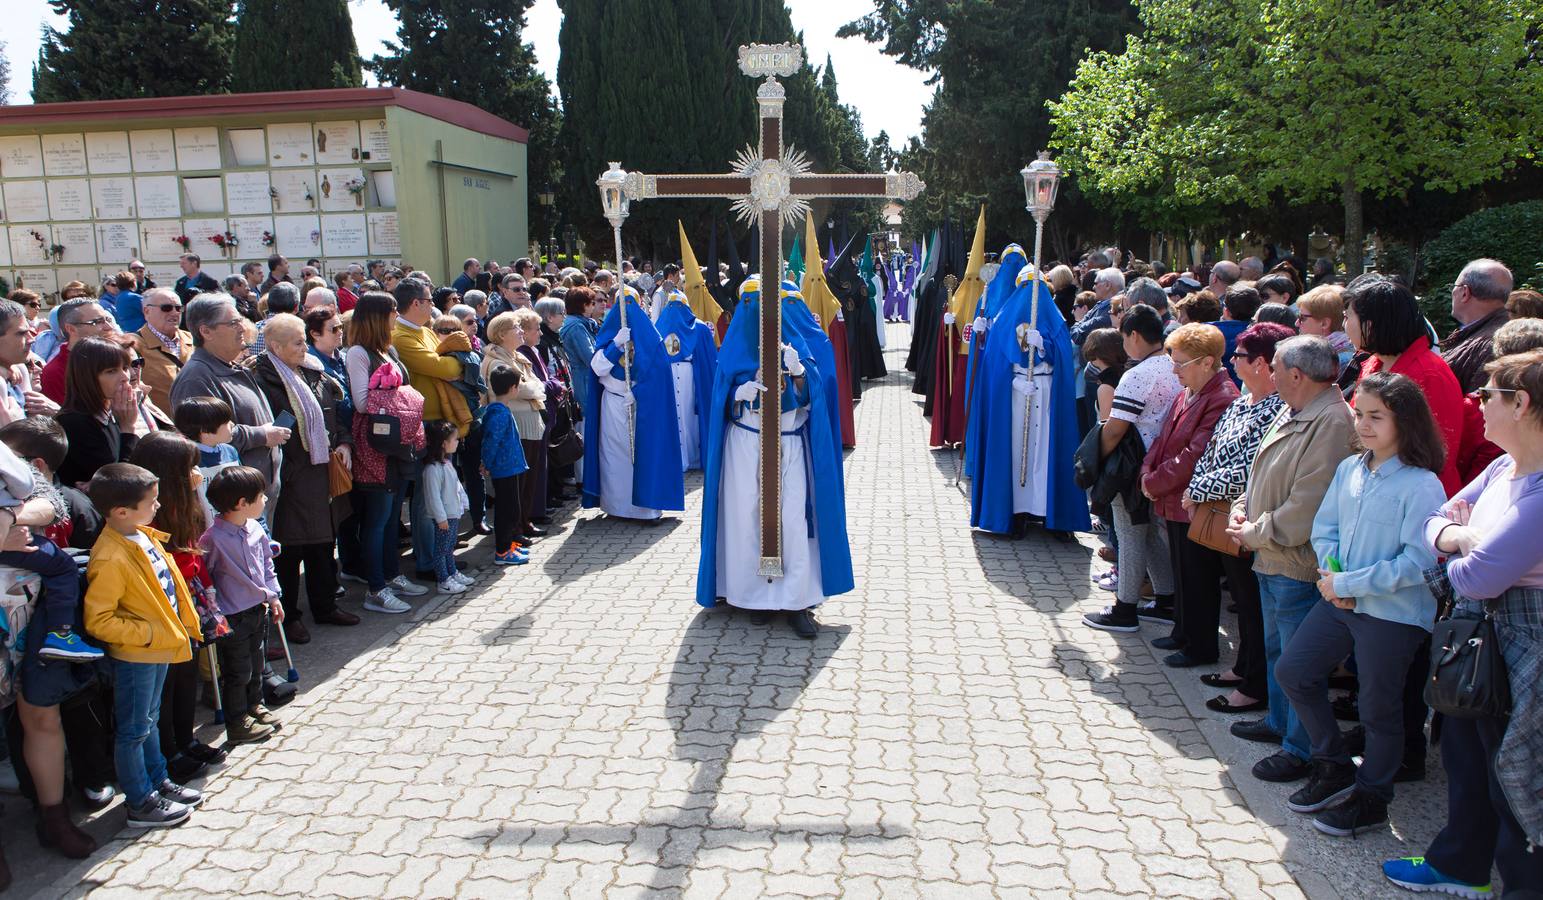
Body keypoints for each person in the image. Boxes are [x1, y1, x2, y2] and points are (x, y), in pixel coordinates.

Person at [1383, 349, 1543, 897]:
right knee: (1467, 758)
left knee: (1516, 773)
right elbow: (1437, 522)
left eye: (1489, 395)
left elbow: (1478, 578)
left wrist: (1458, 548)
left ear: (1520, 404)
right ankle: (1461, 866)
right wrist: (1459, 540)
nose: (1477, 404)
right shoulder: (1502, 466)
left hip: (1525, 651)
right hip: (1481, 643)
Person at [1272, 372, 1447, 837]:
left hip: (1391, 614)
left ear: (1404, 422)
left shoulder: (1422, 484)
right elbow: (1326, 526)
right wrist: (1333, 577)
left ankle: (1372, 797)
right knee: (1294, 670)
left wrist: (1354, 582)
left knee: (1378, 709)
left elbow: (1418, 562)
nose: (1364, 425)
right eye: (1361, 415)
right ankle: (1332, 764)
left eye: (1377, 417)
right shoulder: (1351, 468)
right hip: (1340, 601)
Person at [1225, 336, 1356, 785]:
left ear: (1297, 375)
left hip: (1294, 561)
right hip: (1272, 554)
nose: (1270, 373)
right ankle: (1281, 725)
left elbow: (1308, 505)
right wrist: (1243, 505)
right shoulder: (1295, 407)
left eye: (1276, 367)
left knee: (1299, 662)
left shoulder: (1333, 422)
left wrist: (1253, 531)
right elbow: (1263, 470)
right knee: (1279, 649)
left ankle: (1300, 749)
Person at [696, 279, 852, 638]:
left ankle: (797, 600)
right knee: (746, 518)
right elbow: (719, 395)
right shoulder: (735, 346)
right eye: (750, 304)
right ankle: (754, 597)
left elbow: (821, 399)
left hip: (789, 443)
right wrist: (737, 391)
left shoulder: (803, 343)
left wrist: (800, 375)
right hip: (746, 444)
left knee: (793, 521)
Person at [83, 462, 206, 828]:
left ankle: (159, 781)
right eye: (151, 501)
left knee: (149, 723)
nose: (158, 505)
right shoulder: (110, 555)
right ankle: (140, 802)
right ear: (121, 511)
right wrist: (151, 635)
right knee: (134, 729)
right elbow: (99, 620)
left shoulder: (143, 535)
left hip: (158, 650)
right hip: (138, 655)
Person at [1184, 323, 1292, 713]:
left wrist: (1197, 490)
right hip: (1220, 513)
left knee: (1252, 605)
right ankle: (1244, 668)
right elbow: (1211, 450)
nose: (1232, 361)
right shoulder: (1243, 401)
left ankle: (1254, 684)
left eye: (1240, 356)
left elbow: (1251, 468)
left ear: (1262, 363)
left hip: (1246, 516)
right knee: (1245, 602)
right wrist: (1196, 486)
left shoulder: (1278, 409)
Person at [126, 432, 229, 786]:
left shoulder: (182, 503)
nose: (195, 474)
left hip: (190, 602)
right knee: (166, 686)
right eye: (189, 468)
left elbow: (196, 542)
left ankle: (186, 741)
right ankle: (169, 752)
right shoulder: (148, 513)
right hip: (163, 604)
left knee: (186, 676)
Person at [252, 313, 357, 639]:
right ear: (275, 345)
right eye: (296, 342)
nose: (303, 347)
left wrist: (343, 442)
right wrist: (291, 468)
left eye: (303, 340)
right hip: (292, 474)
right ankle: (291, 615)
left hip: (322, 469)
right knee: (290, 548)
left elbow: (331, 413)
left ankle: (325, 606)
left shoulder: (313, 371)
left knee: (324, 544)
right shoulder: (261, 377)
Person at [1140, 323, 1240, 665]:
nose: (1174, 369)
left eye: (1180, 363)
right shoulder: (1189, 391)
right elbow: (1163, 437)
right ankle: (1182, 631)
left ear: (1207, 362)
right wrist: (1148, 470)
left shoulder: (1222, 396)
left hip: (1195, 502)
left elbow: (1194, 454)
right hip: (1175, 498)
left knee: (1198, 576)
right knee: (1183, 571)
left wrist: (1154, 482)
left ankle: (1200, 646)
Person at [968, 266, 1090, 536]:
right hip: (1015, 392)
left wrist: (1046, 345)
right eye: (1027, 290)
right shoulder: (1002, 321)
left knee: (1046, 451)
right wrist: (1014, 381)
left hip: (1046, 391)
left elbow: (1064, 357)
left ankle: (1049, 514)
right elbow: (993, 367)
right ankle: (1016, 512)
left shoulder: (1056, 320)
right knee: (1016, 452)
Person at [1083, 305, 1183, 632]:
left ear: (1134, 336)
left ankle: (1125, 608)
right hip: (1162, 464)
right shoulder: (1173, 367)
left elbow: (1114, 429)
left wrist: (1096, 461)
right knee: (1149, 531)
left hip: (1131, 468)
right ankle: (1167, 599)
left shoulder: (1137, 375)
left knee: (1129, 534)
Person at [344, 292, 429, 612]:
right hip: (375, 447)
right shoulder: (357, 353)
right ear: (378, 317)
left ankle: (392, 575)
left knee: (393, 516)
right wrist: (404, 398)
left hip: (398, 444)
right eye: (393, 312)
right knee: (377, 519)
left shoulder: (387, 349)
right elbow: (363, 402)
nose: (397, 317)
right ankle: (375, 588)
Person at [1345, 276, 1464, 495]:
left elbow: (1438, 450)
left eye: (1347, 317)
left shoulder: (1430, 374)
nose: (1344, 325)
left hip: (1417, 496)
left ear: (1369, 324)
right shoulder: (1374, 362)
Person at [170, 294, 288, 501]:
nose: (242, 328)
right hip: (233, 505)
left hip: (254, 498)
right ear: (206, 331)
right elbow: (204, 439)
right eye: (233, 323)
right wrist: (261, 435)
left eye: (240, 321)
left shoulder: (230, 366)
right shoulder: (196, 378)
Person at [583, 284, 684, 522]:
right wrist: (616, 345)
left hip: (640, 406)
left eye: (631, 304)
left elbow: (658, 374)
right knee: (613, 455)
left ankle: (646, 508)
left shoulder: (651, 338)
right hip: (612, 403)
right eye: (621, 304)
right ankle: (617, 506)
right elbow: (597, 368)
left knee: (640, 456)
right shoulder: (609, 336)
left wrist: (638, 392)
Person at [199, 466, 283, 745]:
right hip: (231, 616)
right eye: (260, 496)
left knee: (257, 662)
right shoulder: (211, 539)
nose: (266, 500)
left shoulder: (256, 528)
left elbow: (266, 566)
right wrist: (213, 612)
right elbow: (204, 578)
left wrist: (273, 596)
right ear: (241, 503)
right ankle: (237, 722)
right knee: (237, 671)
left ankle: (255, 705)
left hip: (258, 609)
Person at [56, 337, 142, 488]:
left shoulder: (110, 414)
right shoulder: (74, 422)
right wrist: (128, 428)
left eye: (125, 368)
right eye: (111, 371)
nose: (125, 377)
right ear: (87, 377)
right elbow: (121, 485)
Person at [655, 287, 719, 471]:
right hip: (688, 373)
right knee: (688, 416)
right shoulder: (697, 326)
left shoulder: (661, 324)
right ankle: (691, 457)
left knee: (681, 416)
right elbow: (709, 359)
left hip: (673, 375)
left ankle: (682, 458)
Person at [480, 365, 531, 565]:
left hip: (510, 467)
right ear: (512, 388)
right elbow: (491, 442)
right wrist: (487, 462)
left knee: (512, 509)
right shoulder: (499, 414)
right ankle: (502, 551)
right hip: (504, 468)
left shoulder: (501, 410)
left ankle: (508, 544)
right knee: (506, 511)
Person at [1439, 259, 1513, 394]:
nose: (1452, 292)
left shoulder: (1495, 344)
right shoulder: (1502, 333)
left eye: (1453, 286)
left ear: (1464, 292)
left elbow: (1478, 409)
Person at [421, 419, 473, 594]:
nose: (458, 442)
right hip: (444, 517)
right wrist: (440, 517)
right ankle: (443, 580)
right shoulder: (432, 469)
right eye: (455, 439)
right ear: (444, 443)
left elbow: (457, 486)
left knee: (450, 546)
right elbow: (433, 496)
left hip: (453, 514)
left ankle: (452, 572)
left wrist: (464, 502)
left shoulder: (447, 464)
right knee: (441, 550)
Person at [40, 298, 118, 404]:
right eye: (98, 322)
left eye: (107, 320)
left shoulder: (117, 356)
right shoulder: (56, 373)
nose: (109, 327)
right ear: (71, 329)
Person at [136, 288, 190, 414]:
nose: (174, 313)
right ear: (147, 311)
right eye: (166, 308)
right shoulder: (134, 345)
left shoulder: (193, 340)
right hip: (163, 427)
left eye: (178, 308)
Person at [560, 288, 599, 418]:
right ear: (584, 305)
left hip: (582, 378)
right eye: (592, 303)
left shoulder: (579, 323)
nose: (594, 306)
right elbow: (590, 358)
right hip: (583, 380)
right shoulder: (577, 327)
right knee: (588, 421)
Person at [1294, 284, 1353, 367]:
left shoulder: (1338, 362)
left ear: (1324, 323)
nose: (1296, 323)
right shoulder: (1323, 353)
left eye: (1302, 317)